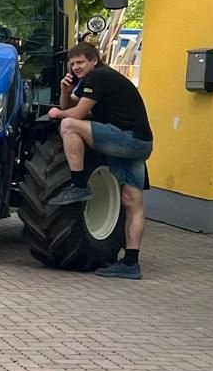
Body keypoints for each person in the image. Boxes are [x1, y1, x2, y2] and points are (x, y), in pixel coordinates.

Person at [45, 41, 154, 279]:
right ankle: (131, 264)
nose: (76, 67)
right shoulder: (93, 80)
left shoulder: (99, 77)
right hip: (141, 143)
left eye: (80, 62)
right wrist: (65, 91)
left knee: (68, 125)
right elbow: (72, 103)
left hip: (128, 140)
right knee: (132, 202)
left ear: (94, 60)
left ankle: (78, 184)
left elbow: (75, 114)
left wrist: (56, 113)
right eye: (72, 64)